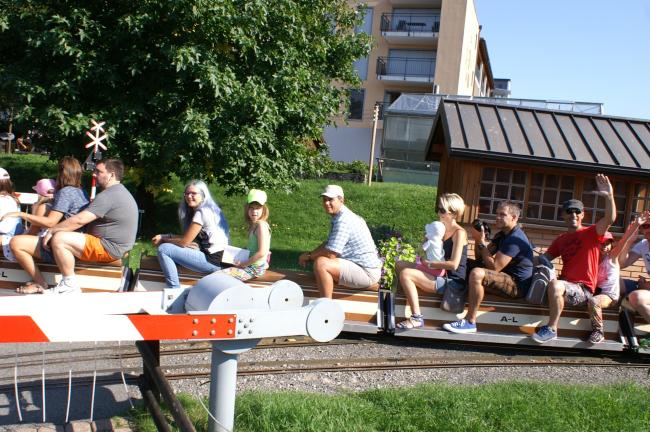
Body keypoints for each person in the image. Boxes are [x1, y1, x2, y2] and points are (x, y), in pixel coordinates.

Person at [532, 174, 615, 343]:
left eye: (577, 211)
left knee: (555, 285)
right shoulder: (561, 239)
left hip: (584, 290)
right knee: (545, 282)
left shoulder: (592, 233)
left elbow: (610, 219)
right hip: (567, 287)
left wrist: (609, 196)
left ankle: (551, 329)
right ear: (563, 215)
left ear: (583, 215)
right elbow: (543, 259)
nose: (573, 215)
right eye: (569, 211)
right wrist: (522, 256)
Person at [42, 159, 138, 294]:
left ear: (111, 175)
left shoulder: (109, 195)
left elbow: (80, 220)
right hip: (114, 246)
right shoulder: (118, 192)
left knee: (60, 238)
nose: (94, 174)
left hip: (108, 247)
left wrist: (52, 230)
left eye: (99, 172)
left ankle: (69, 284)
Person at [443, 200, 534, 334]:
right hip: (504, 277)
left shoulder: (515, 239)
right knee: (463, 262)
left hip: (517, 285)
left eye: (502, 214)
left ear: (514, 218)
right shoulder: (502, 235)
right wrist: (478, 240)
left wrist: (481, 242)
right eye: (497, 214)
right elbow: (481, 258)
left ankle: (470, 322)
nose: (497, 217)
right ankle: (453, 289)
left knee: (477, 274)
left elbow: (494, 268)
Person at [4, 158, 89, 293]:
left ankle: (40, 283)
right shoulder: (81, 191)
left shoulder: (66, 192)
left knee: (16, 243)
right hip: (75, 241)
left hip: (61, 245)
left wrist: (20, 214)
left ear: (62, 173)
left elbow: (50, 222)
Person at [395, 193, 468, 329]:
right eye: (438, 209)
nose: (438, 213)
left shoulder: (459, 233)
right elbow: (426, 252)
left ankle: (417, 317)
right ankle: (402, 303)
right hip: (438, 272)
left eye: (442, 210)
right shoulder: (440, 228)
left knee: (406, 274)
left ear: (454, 213)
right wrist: (426, 242)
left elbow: (454, 264)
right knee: (400, 264)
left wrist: (428, 263)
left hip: (452, 281)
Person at [298, 184, 382, 298]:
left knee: (321, 264)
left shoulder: (344, 221)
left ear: (341, 200)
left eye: (330, 199)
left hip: (366, 272)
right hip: (362, 268)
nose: (326, 203)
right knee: (320, 264)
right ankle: (366, 286)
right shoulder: (341, 216)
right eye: (324, 200)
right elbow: (328, 245)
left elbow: (330, 254)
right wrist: (310, 254)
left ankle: (325, 305)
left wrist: (309, 256)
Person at [153, 180, 229, 288]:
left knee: (164, 249)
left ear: (203, 195)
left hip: (212, 261)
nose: (189, 196)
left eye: (193, 193)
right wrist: (167, 236)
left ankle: (173, 290)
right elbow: (189, 238)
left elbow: (185, 242)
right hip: (221, 260)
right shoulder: (213, 208)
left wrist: (163, 239)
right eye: (187, 194)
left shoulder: (202, 212)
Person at [588, 222, 640, 344]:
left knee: (594, 301)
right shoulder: (593, 261)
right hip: (598, 292)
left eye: (608, 243)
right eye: (602, 243)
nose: (605, 246)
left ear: (611, 245)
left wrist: (635, 226)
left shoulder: (612, 257)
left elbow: (623, 241)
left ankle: (598, 332)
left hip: (610, 296)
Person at [217, 189, 271, 281]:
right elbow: (253, 248)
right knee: (219, 270)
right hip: (250, 265)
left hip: (255, 269)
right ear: (247, 209)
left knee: (218, 276)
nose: (254, 211)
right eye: (251, 208)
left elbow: (262, 252)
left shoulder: (261, 226)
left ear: (264, 209)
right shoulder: (254, 225)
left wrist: (244, 264)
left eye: (258, 208)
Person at [618, 211, 650, 324]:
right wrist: (629, 241)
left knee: (636, 297)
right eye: (644, 226)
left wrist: (645, 285)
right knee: (614, 282)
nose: (648, 229)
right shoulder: (643, 244)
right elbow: (622, 264)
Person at [0, 168, 25, 260]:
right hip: (13, 234)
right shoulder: (11, 198)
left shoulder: (3, 200)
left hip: (6, 236)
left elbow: (4, 227)